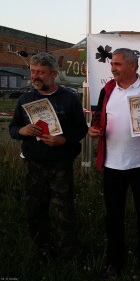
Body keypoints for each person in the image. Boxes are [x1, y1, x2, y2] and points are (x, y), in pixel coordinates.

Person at [88, 48, 140, 275]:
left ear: (132, 66)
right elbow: (97, 120)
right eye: (112, 64)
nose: (112, 68)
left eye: (117, 64)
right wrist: (94, 130)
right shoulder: (107, 89)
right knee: (113, 216)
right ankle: (115, 261)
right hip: (112, 165)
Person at [9, 52, 88, 259]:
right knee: (35, 210)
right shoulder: (26, 99)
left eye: (41, 73)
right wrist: (22, 131)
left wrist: (64, 140)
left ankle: (69, 253)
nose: (36, 76)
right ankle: (42, 249)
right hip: (34, 165)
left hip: (61, 165)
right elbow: (13, 128)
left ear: (54, 74)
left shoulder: (68, 98)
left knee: (64, 210)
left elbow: (81, 129)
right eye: (33, 71)